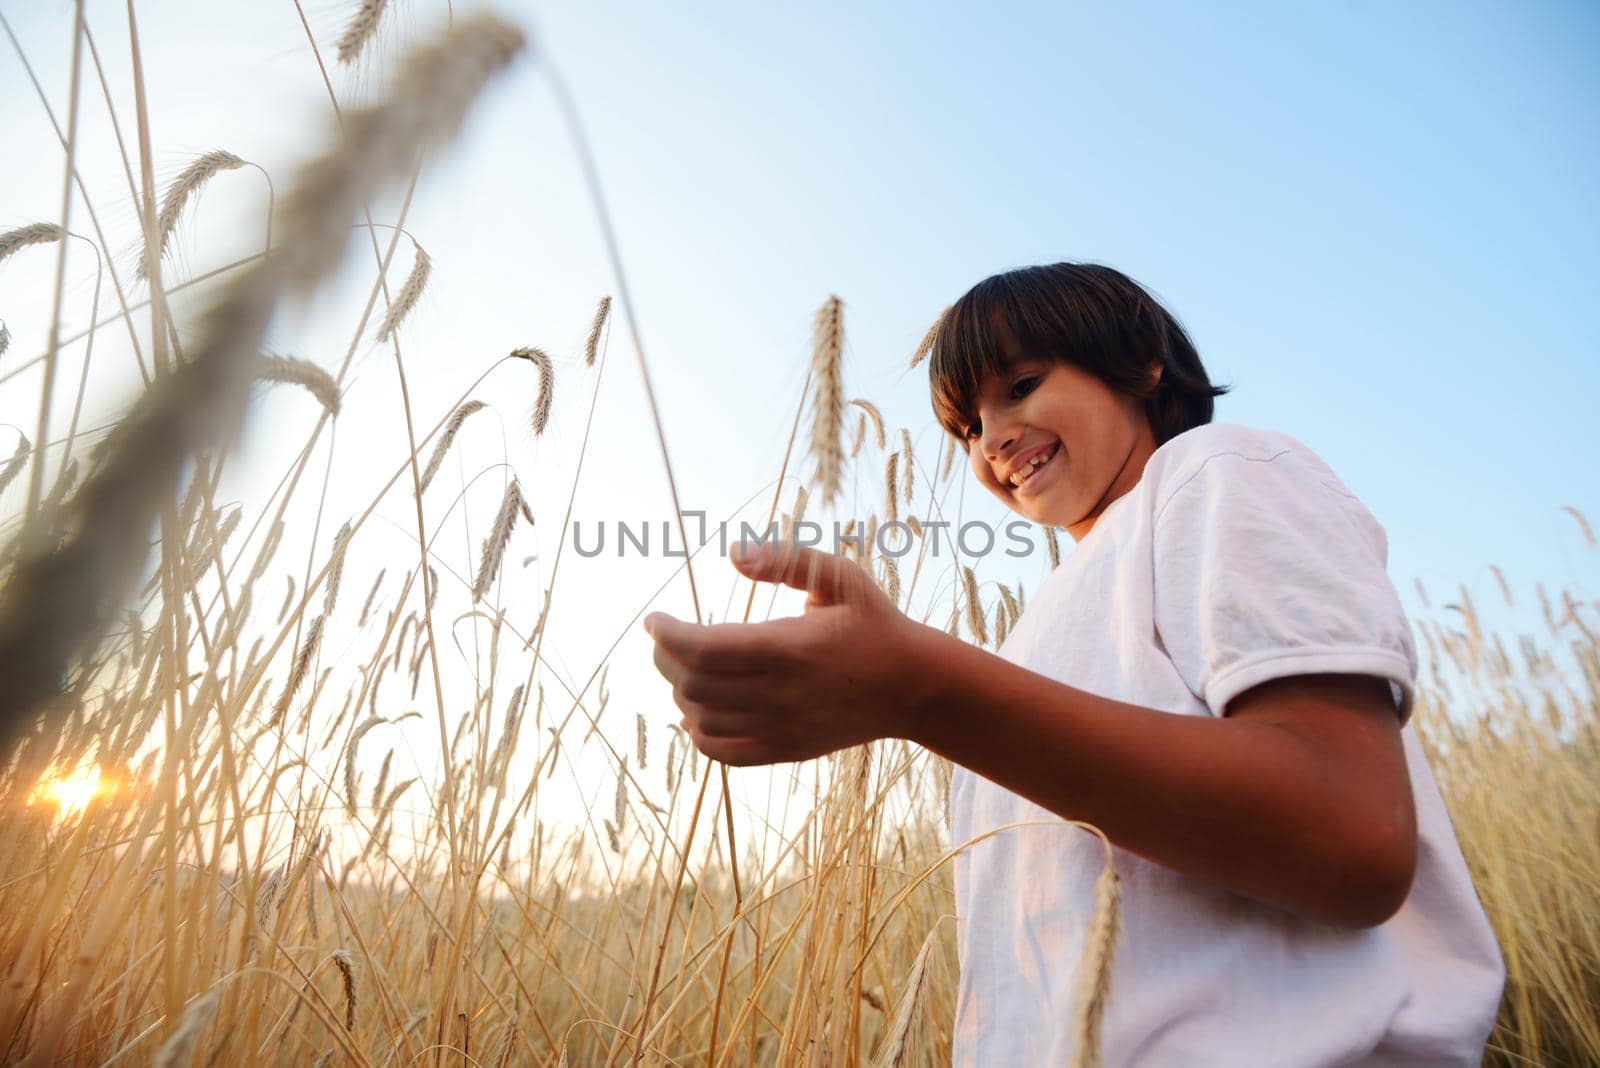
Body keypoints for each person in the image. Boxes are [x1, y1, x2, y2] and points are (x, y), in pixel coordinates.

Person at [643, 262, 1505, 1065]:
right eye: (968, 426)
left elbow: (1353, 833)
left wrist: (926, 691)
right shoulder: (1033, 636)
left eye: (1021, 387)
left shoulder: (1214, 472)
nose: (994, 441)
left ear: (1139, 364)